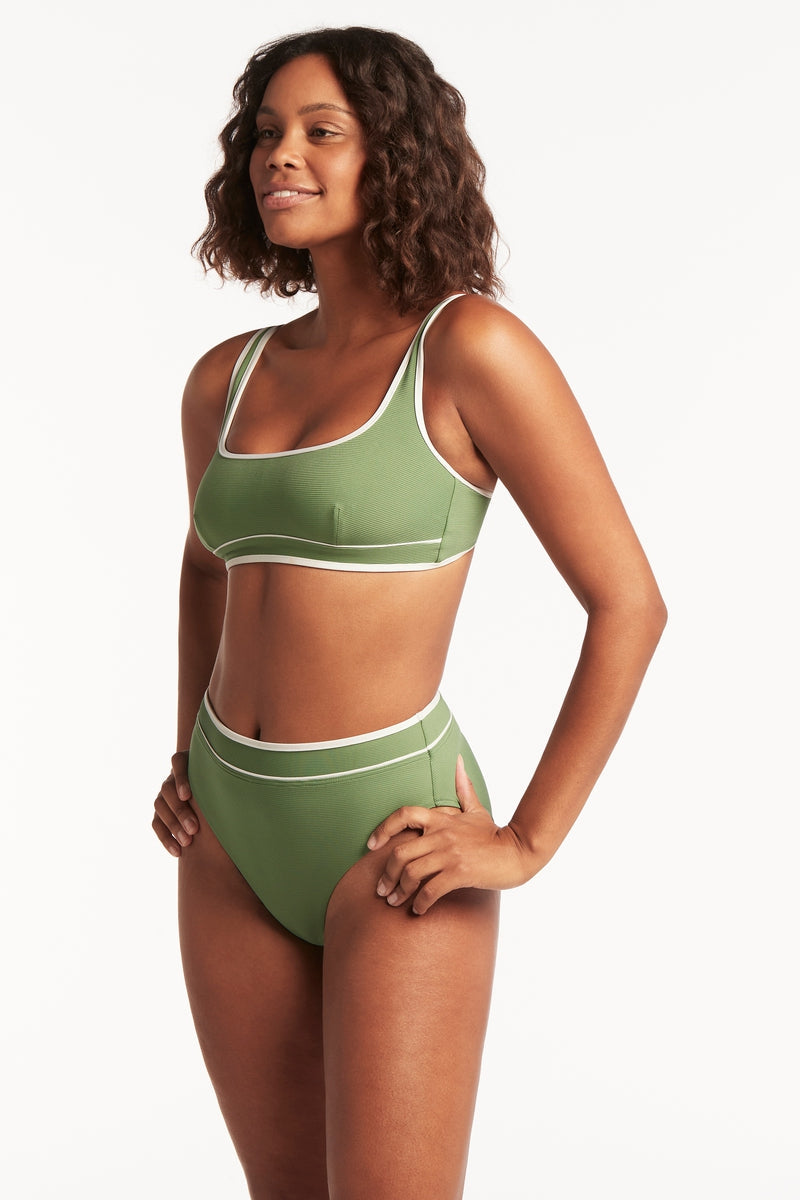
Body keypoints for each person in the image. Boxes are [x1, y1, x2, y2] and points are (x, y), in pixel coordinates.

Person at [152, 25, 666, 1200]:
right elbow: (206, 567)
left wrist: (525, 841)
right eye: (265, 133)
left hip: (390, 832)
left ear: (395, 156)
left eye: (320, 131)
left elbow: (627, 603)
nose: (280, 155)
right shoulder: (224, 378)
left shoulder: (467, 348)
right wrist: (185, 749)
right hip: (229, 831)